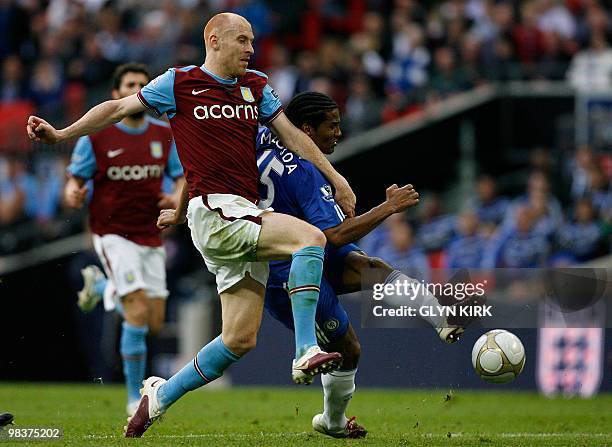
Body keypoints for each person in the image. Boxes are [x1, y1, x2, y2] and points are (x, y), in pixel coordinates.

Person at [27, 13, 356, 438]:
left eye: (253, 41)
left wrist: (337, 177)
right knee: (309, 238)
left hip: (235, 213)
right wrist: (61, 134)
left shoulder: (255, 87)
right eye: (242, 40)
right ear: (214, 40)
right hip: (218, 212)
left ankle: (158, 397)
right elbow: (116, 108)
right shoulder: (177, 83)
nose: (251, 49)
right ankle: (305, 349)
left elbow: (292, 136)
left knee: (238, 340)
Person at [257, 92, 478, 438]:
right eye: (332, 126)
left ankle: (440, 315)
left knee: (368, 265)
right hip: (286, 272)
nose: (338, 133)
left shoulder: (264, 140)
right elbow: (336, 234)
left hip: (305, 245)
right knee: (348, 348)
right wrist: (387, 208)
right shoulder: (303, 170)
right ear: (306, 130)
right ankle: (332, 422)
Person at [63, 63, 185, 416]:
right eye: (130, 84)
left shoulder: (164, 135)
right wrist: (73, 192)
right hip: (112, 233)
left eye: (143, 85)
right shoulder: (97, 136)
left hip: (150, 234)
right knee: (136, 310)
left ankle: (100, 288)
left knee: (154, 321)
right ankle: (135, 399)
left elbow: (180, 178)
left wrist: (175, 197)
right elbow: (75, 178)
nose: (137, 89)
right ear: (116, 94)